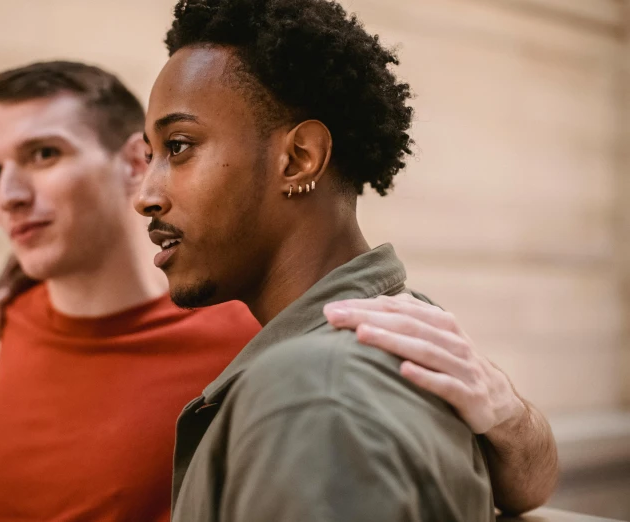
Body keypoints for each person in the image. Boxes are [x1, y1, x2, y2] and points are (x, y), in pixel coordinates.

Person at [0, 55, 554, 522]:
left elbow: (519, 480)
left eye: (44, 155)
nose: (8, 196)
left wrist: (512, 416)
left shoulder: (272, 347)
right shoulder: (19, 304)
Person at [135, 0, 556, 520]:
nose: (146, 195)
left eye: (178, 146)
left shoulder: (317, 396)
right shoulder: (396, 329)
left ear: (298, 159)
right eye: (147, 154)